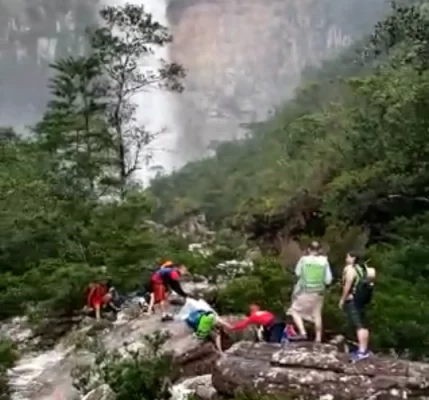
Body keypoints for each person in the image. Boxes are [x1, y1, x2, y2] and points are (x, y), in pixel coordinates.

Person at [286, 241, 333, 342]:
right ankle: (318, 338)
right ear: (320, 250)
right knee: (317, 314)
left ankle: (303, 333)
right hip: (319, 292)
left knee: (294, 310)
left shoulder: (304, 260)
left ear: (308, 249)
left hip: (306, 290)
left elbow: (297, 273)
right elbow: (328, 280)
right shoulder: (324, 261)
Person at [339, 251, 376, 361]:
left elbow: (348, 285)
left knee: (358, 325)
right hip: (362, 300)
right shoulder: (362, 268)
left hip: (353, 299)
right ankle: (364, 349)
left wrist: (342, 299)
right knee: (363, 324)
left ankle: (362, 351)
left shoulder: (351, 270)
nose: (346, 259)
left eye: (348, 256)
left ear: (353, 258)